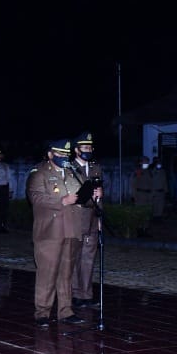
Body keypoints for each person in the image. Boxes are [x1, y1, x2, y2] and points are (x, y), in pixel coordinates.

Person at [26, 139, 88, 327]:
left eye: (66, 154)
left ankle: (66, 311)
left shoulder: (73, 173)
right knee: (47, 273)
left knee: (66, 273)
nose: (63, 157)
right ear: (50, 154)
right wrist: (62, 201)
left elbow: (82, 195)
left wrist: (91, 195)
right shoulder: (39, 173)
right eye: (59, 154)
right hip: (49, 231)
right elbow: (36, 198)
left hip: (71, 229)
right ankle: (42, 312)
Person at [69, 132, 104, 310]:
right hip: (76, 216)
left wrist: (100, 216)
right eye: (85, 148)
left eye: (90, 148)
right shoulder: (70, 168)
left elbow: (99, 194)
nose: (88, 151)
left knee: (89, 257)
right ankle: (75, 293)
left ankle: (87, 293)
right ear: (76, 150)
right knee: (75, 257)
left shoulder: (96, 167)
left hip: (92, 216)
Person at [130, 156, 154, 237]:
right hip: (140, 195)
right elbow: (133, 185)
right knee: (140, 213)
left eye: (147, 162)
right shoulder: (138, 172)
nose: (147, 163)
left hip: (148, 195)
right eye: (145, 162)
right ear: (141, 162)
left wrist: (152, 195)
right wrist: (134, 196)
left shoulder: (150, 172)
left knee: (147, 213)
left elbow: (152, 184)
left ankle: (146, 230)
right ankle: (139, 231)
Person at [151, 156, 168, 220]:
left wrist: (166, 191)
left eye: (159, 161)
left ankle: (159, 217)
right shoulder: (151, 171)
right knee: (155, 206)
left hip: (162, 191)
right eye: (157, 161)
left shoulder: (163, 171)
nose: (159, 163)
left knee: (161, 206)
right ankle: (155, 217)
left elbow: (165, 181)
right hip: (155, 191)